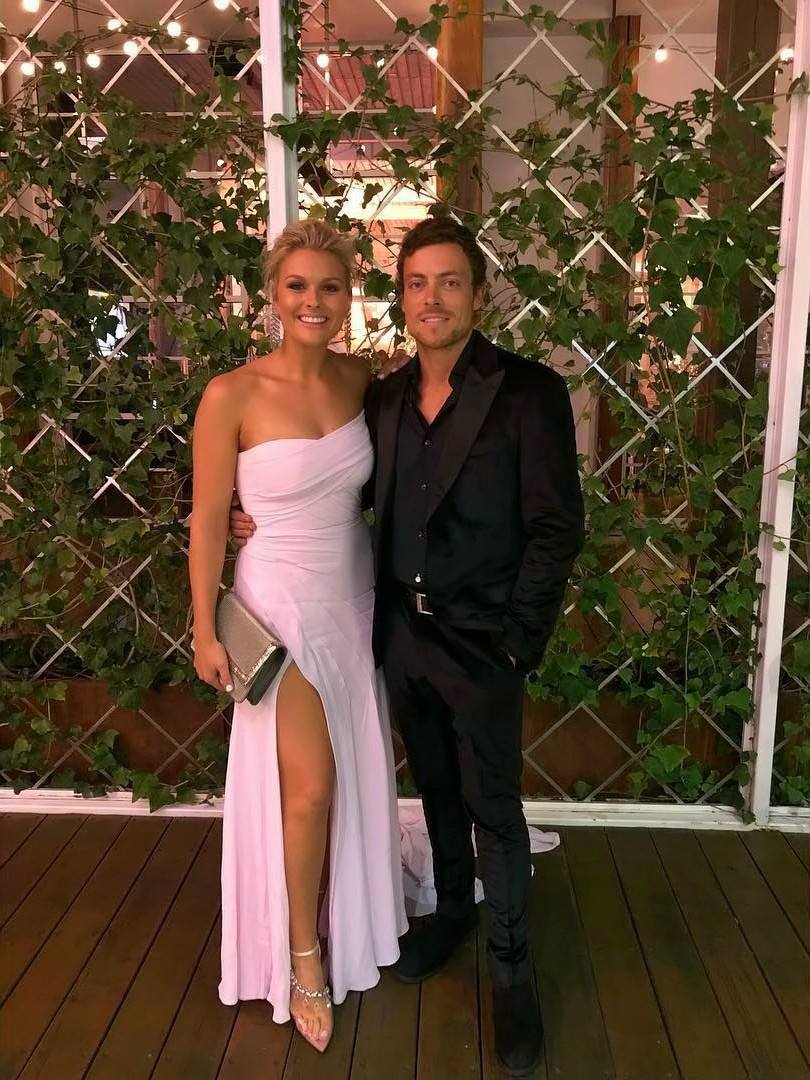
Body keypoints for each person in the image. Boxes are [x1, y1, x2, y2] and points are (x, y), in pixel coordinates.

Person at [231, 217, 584, 1077]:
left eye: (449, 282)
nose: (432, 298)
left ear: (479, 294)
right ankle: (453, 913)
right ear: (401, 298)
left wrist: (518, 644)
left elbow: (556, 528)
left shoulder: (529, 392)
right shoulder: (383, 397)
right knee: (435, 792)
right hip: (396, 636)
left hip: (486, 646)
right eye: (417, 283)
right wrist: (257, 518)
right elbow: (338, 489)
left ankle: (512, 979)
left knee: (495, 809)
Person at [189, 220, 407, 1054]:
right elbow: (208, 516)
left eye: (330, 286)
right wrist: (203, 627)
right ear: (273, 296)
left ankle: (347, 912)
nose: (313, 301)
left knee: (349, 772)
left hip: (355, 599)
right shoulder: (231, 394)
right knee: (310, 788)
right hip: (277, 604)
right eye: (297, 286)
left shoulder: (365, 381)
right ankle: (303, 955)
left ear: (349, 296)